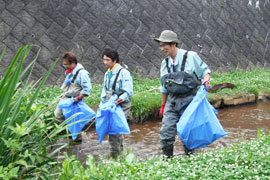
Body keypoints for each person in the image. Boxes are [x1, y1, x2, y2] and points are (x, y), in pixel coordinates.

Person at [154, 30, 211, 157]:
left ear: (173, 44)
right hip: (172, 102)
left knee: (188, 134)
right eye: (161, 45)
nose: (162, 48)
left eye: (164, 45)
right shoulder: (165, 63)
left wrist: (206, 81)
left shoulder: (191, 56)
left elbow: (205, 72)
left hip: (190, 101)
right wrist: (163, 106)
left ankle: (190, 160)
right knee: (166, 134)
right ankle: (168, 161)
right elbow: (164, 87)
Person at [100, 48, 133, 158]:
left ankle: (116, 155)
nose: (105, 62)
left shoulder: (124, 73)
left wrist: (120, 99)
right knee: (111, 129)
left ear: (115, 60)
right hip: (110, 103)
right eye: (104, 60)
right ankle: (117, 153)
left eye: (107, 60)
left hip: (121, 104)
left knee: (115, 129)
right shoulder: (107, 73)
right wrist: (102, 105)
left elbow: (128, 91)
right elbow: (104, 91)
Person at [54, 52, 92, 142]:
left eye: (66, 64)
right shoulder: (69, 72)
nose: (65, 66)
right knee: (58, 115)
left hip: (75, 100)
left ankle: (76, 140)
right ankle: (70, 136)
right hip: (67, 98)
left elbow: (87, 88)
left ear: (73, 63)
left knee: (74, 121)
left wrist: (79, 98)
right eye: (64, 64)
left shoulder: (82, 73)